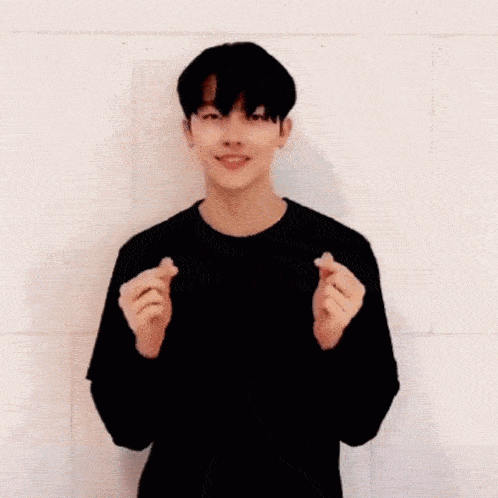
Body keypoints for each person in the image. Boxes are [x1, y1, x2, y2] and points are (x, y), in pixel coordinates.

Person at [86, 41, 400, 497]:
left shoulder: (339, 256)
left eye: (255, 116)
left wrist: (333, 341)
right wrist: (147, 347)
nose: (233, 136)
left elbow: (360, 425)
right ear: (189, 130)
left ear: (283, 130)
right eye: (213, 116)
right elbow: (128, 431)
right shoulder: (148, 257)